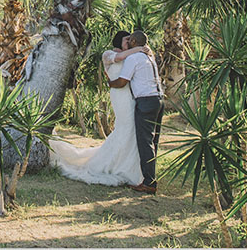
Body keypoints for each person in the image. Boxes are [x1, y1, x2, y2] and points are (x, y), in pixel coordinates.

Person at [47, 31, 152, 186]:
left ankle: (127, 165)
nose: (130, 42)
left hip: (131, 97)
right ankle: (114, 165)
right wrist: (140, 48)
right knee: (126, 127)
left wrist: (143, 50)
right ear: (118, 41)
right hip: (119, 96)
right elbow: (119, 59)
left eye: (131, 40)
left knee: (129, 130)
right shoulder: (108, 54)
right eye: (127, 40)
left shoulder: (132, 56)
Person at [107, 30, 164, 195]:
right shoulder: (149, 57)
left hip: (145, 101)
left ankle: (149, 182)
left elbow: (122, 81)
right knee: (154, 140)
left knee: (145, 141)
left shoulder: (132, 58)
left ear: (133, 41)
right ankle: (150, 176)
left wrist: (110, 83)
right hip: (159, 99)